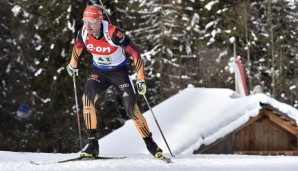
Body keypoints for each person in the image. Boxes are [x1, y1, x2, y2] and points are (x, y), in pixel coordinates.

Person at [66, 5, 164, 159]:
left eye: (91, 21)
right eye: (85, 21)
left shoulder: (113, 33)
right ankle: (92, 144)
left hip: (119, 73)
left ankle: (151, 144)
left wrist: (140, 79)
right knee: (87, 100)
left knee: (132, 109)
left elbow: (135, 53)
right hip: (100, 72)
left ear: (100, 19)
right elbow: (78, 46)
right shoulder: (84, 33)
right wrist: (73, 64)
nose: (87, 25)